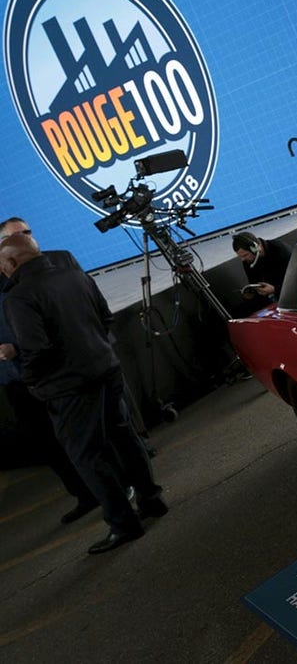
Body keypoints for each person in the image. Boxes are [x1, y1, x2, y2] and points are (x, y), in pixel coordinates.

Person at [0, 234, 167, 555]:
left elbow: (37, 349)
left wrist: (33, 382)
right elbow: (105, 319)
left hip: (68, 389)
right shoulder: (75, 275)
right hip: (107, 370)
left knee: (88, 456)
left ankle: (123, 524)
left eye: (2, 265)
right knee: (125, 438)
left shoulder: (18, 297)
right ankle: (152, 499)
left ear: (12, 262)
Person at [0, 218, 96, 524]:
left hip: (49, 370)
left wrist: (16, 346)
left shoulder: (47, 267)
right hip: (15, 380)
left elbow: (46, 322)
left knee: (82, 437)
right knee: (47, 441)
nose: (26, 238)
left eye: (26, 233)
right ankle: (84, 494)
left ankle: (113, 492)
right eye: (18, 236)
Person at [231, 231, 291, 307]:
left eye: (245, 255)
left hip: (290, 294)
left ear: (255, 248)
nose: (243, 259)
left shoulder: (280, 250)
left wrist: (275, 289)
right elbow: (253, 281)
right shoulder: (249, 260)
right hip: (270, 298)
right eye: (241, 257)